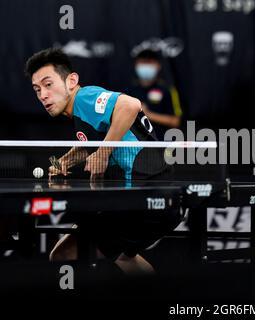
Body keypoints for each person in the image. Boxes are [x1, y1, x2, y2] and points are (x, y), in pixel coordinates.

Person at [25, 48, 181, 273]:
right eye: (37, 89)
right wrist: (65, 162)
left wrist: (103, 152)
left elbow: (130, 105)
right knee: (78, 254)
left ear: (72, 81)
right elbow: (92, 141)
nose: (43, 95)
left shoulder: (85, 98)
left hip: (145, 198)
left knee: (66, 253)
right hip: (150, 198)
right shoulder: (80, 112)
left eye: (48, 84)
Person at [126, 49, 182, 140]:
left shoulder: (168, 90)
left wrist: (147, 114)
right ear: (136, 65)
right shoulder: (129, 92)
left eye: (150, 63)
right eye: (143, 63)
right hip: (134, 146)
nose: (146, 66)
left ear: (158, 65)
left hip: (161, 144)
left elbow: (175, 121)